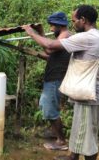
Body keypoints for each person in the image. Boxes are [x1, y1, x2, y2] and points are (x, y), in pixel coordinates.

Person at [23, 5, 99, 160]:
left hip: (88, 94)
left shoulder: (87, 37)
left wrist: (31, 33)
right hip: (90, 91)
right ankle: (72, 157)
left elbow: (50, 46)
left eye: (74, 20)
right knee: (81, 131)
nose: (73, 24)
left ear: (83, 20)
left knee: (87, 140)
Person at [36, 12, 71, 151]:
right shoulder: (62, 38)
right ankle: (55, 132)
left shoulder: (66, 36)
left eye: (52, 26)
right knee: (47, 106)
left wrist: (33, 33)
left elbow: (49, 47)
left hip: (56, 79)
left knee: (50, 109)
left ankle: (61, 141)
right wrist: (41, 35)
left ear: (59, 25)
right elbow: (50, 52)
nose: (51, 29)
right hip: (53, 78)